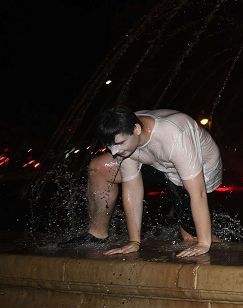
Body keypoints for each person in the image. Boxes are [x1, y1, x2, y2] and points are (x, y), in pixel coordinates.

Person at [62, 107, 223, 258]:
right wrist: (134, 242)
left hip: (199, 166)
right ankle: (97, 234)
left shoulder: (175, 136)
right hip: (157, 161)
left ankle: (218, 246)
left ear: (136, 129)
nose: (114, 152)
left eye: (119, 144)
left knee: (191, 235)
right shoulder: (126, 134)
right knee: (100, 168)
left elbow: (198, 193)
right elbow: (132, 188)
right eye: (110, 146)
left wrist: (203, 243)